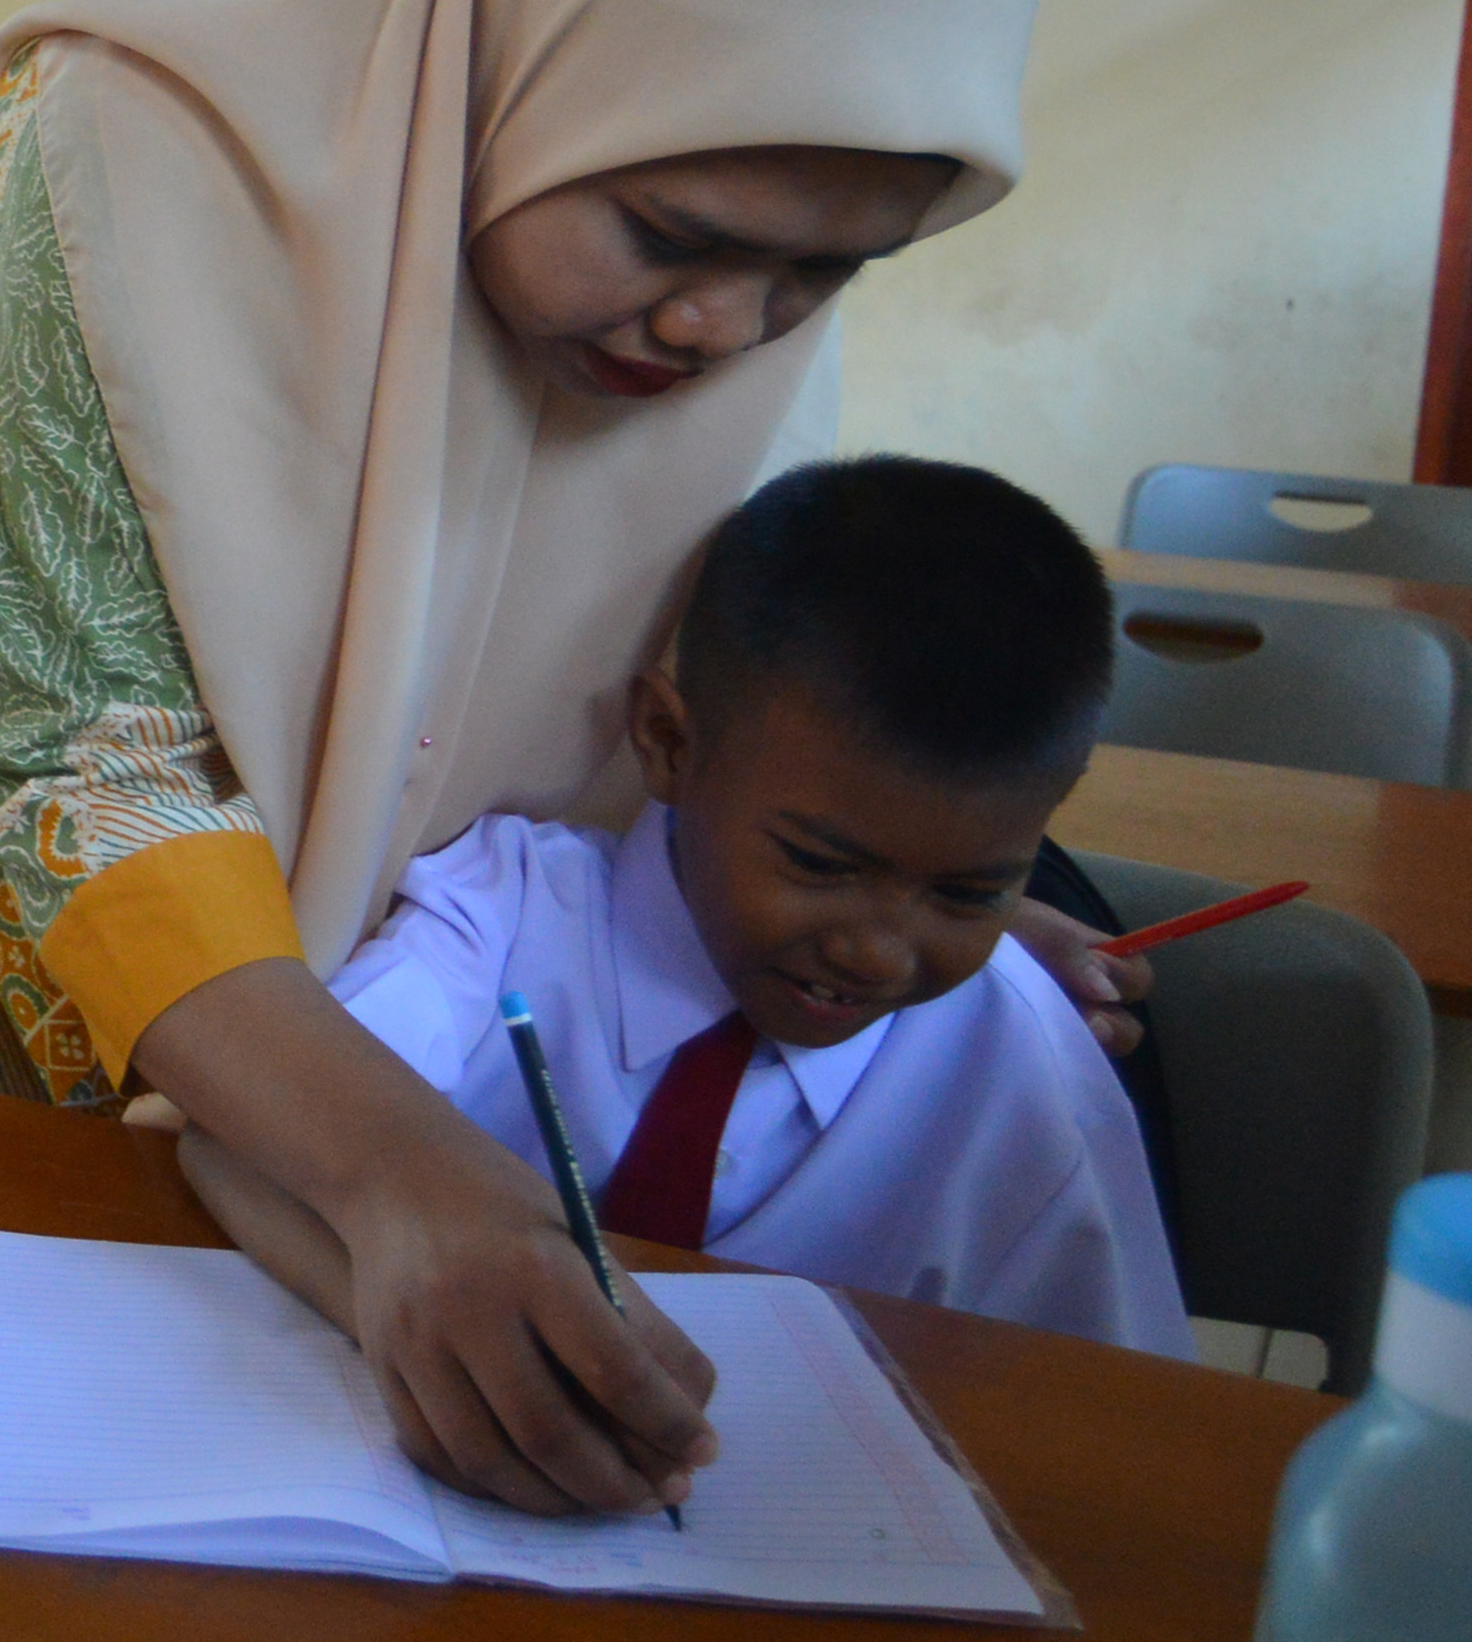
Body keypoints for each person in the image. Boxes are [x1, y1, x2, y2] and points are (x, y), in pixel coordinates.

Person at [0, 0, 1144, 1540]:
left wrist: (923, 901)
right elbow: (69, 761)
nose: (724, 330)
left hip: (387, 1061)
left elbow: (695, 696)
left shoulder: (723, 255)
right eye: (667, 230)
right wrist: (396, 1170)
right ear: (523, 31)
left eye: (820, 275)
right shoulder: (110, 170)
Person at [185, 455, 1189, 1361]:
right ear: (665, 741)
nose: (877, 952)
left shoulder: (1023, 1070)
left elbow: (1114, 1416)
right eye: (818, 864)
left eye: (968, 893)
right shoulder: (498, 922)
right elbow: (242, 1138)